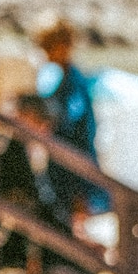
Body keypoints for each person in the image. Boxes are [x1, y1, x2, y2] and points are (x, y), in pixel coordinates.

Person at [0, 93, 94, 274]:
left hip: (26, 238)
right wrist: (72, 236)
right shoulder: (12, 152)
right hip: (15, 241)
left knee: (89, 260)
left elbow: (44, 205)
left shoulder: (23, 151)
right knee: (89, 261)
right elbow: (39, 206)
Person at [37, 23, 109, 218]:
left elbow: (72, 121)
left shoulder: (74, 82)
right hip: (64, 161)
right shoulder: (64, 79)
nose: (47, 54)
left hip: (74, 162)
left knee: (74, 217)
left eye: (49, 48)